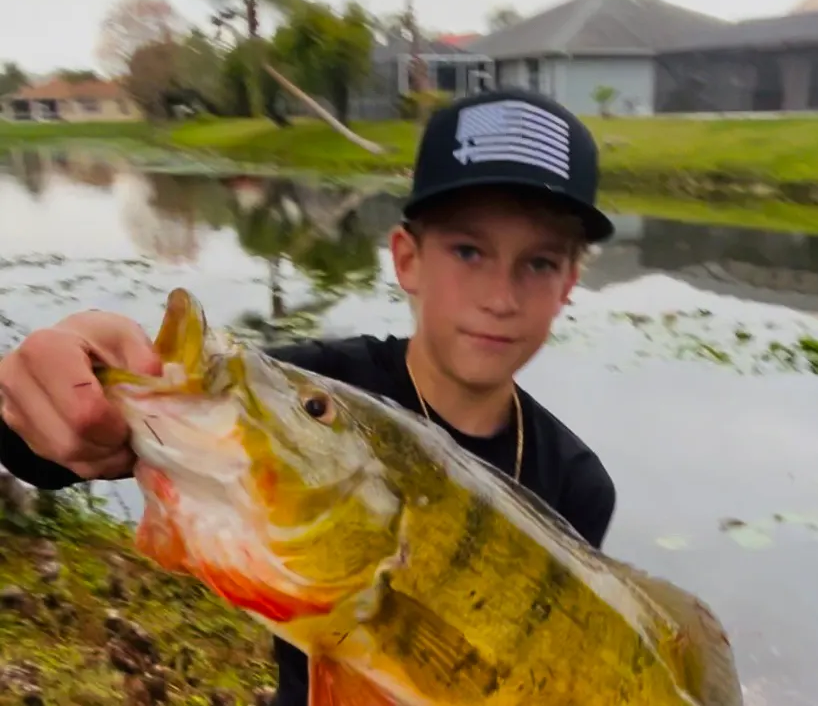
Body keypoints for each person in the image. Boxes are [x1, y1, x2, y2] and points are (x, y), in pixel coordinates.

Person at [0, 87, 618, 705]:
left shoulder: (577, 482)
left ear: (569, 285)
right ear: (407, 259)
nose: (500, 297)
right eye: (467, 250)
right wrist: (64, 383)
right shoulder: (321, 388)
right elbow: (59, 447)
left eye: (538, 263)